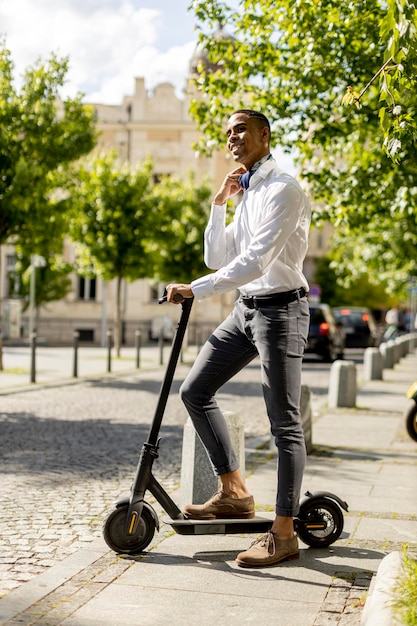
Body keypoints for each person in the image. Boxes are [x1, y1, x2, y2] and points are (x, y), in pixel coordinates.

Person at [166, 109, 311, 568]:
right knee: (195, 390)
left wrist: (196, 289)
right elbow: (217, 256)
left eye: (241, 129)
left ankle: (284, 534)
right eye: (228, 132)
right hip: (246, 310)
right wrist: (219, 202)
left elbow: (256, 261)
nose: (232, 137)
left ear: (265, 135)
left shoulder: (283, 190)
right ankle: (234, 492)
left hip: (282, 310)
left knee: (284, 421)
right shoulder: (247, 193)